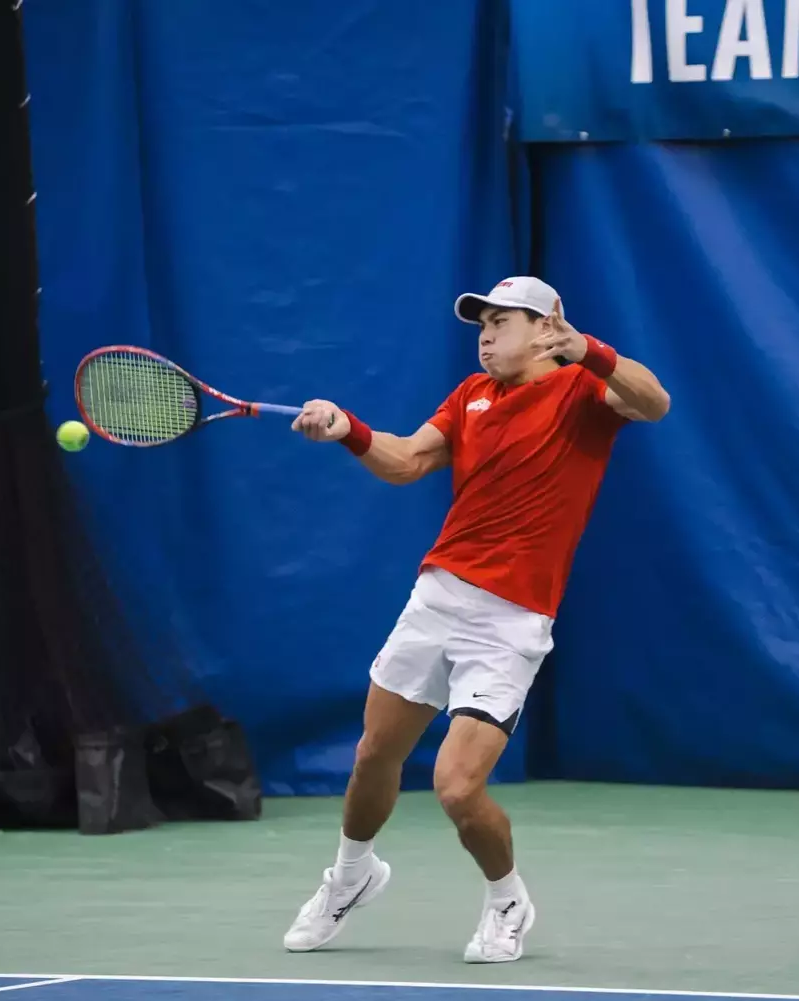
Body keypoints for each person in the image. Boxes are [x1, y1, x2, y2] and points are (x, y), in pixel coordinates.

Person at [282, 276, 670, 963]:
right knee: (374, 754)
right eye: (482, 326)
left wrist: (589, 350)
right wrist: (350, 430)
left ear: (547, 326)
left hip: (510, 622)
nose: (486, 337)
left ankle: (507, 899)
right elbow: (407, 461)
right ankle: (350, 875)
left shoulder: (583, 391)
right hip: (437, 599)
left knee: (458, 787)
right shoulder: (470, 395)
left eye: (501, 322)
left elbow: (654, 402)